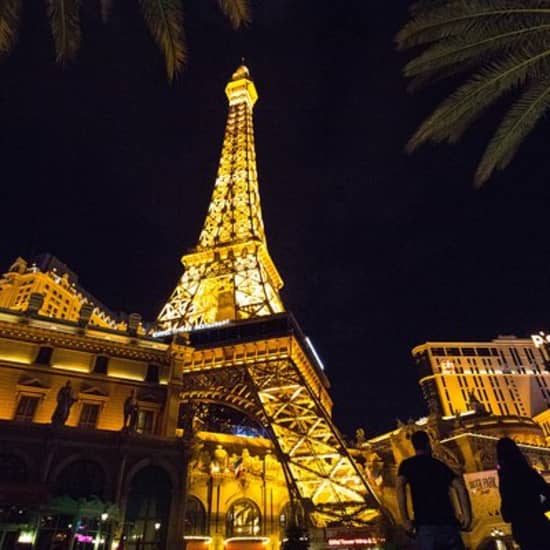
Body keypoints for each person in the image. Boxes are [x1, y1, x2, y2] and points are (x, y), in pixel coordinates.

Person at [396, 430, 471, 549]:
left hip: (425, 525)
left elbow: (399, 487)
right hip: (448, 524)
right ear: (428, 444)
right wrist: (467, 515)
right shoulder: (439, 465)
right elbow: (460, 487)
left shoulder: (407, 465)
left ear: (413, 446)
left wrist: (405, 520)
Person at [497, 437, 550, 549]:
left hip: (522, 529)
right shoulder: (530, 474)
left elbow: (507, 514)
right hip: (539, 524)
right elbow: (547, 495)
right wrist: (538, 507)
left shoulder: (505, 480)